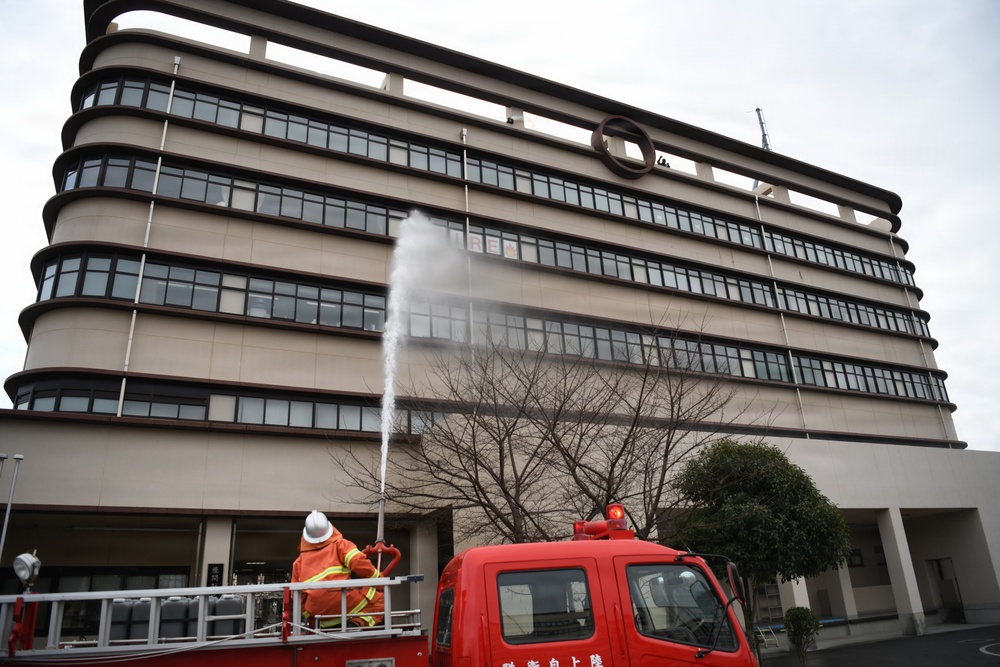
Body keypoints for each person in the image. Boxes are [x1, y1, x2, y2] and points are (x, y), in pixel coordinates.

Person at [291, 510, 385, 628]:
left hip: (319, 612)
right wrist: (378, 578)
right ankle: (357, 623)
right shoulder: (340, 545)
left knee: (322, 614)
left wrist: (309, 614)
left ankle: (328, 626)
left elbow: (296, 595)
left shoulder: (299, 562)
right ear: (330, 529)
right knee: (379, 598)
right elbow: (357, 562)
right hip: (343, 600)